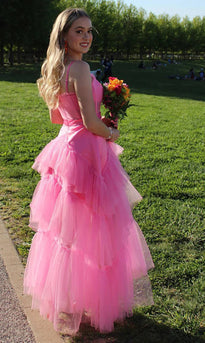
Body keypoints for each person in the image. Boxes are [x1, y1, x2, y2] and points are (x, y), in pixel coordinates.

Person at [24, 7, 154, 335]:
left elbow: (59, 118)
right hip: (88, 154)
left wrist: (101, 111)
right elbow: (89, 122)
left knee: (67, 231)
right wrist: (110, 132)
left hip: (65, 149)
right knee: (97, 230)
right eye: (79, 31)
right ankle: (95, 297)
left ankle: (66, 296)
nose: (86, 37)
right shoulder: (80, 68)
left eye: (89, 31)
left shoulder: (54, 69)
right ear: (64, 35)